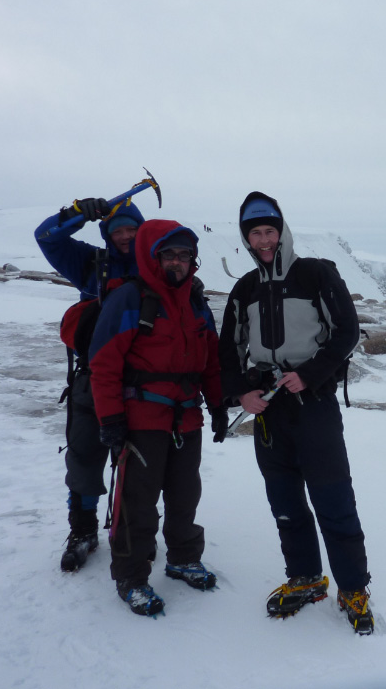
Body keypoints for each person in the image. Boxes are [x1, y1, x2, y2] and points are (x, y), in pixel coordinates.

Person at [218, 191, 374, 635]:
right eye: (255, 234)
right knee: (285, 501)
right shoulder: (244, 288)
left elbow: (347, 331)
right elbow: (227, 351)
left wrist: (310, 374)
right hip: (268, 407)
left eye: (270, 231)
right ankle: (306, 578)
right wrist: (239, 396)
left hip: (313, 403)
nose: (264, 241)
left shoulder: (316, 274)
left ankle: (353, 587)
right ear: (246, 239)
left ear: (282, 231)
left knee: (333, 499)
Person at [88, 219, 228, 616]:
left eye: (185, 255)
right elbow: (104, 365)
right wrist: (111, 419)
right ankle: (131, 576)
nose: (178, 262)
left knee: (185, 495)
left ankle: (183, 557)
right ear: (153, 256)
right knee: (137, 503)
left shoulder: (196, 301)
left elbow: (211, 362)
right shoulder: (130, 299)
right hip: (141, 419)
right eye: (169, 254)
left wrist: (217, 406)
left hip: (187, 418)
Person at [34, 197, 144, 572]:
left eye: (132, 229)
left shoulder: (156, 265)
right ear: (107, 233)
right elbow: (46, 237)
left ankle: (132, 532)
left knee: (139, 463)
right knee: (83, 456)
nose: (126, 236)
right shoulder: (91, 263)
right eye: (118, 230)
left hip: (143, 381)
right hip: (93, 379)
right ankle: (83, 531)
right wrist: (77, 213)